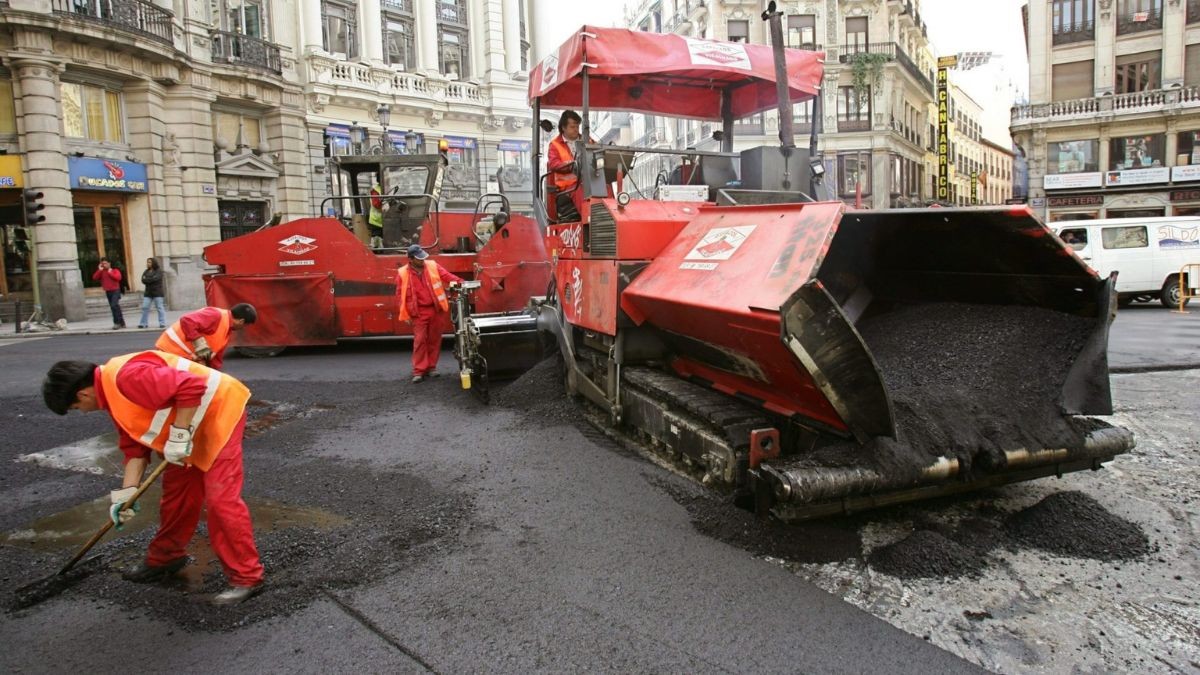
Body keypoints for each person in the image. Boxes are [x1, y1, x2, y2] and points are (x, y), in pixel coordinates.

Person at [41, 352, 264, 605]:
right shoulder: (113, 396)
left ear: (82, 394)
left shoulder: (127, 377)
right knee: (176, 494)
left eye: (76, 408)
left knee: (220, 501)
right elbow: (135, 449)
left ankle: (246, 577)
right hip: (190, 426)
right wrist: (126, 496)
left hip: (219, 412)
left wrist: (179, 435)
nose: (82, 411)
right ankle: (165, 557)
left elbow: (192, 386)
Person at [396, 244, 462, 383]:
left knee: (434, 340)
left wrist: (462, 283)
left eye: (423, 257)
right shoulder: (403, 273)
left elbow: (447, 276)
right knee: (420, 341)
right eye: (419, 259)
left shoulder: (432, 266)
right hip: (418, 312)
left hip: (435, 310)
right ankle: (419, 371)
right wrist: (405, 314)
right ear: (411, 259)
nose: (423, 261)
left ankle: (431, 368)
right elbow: (399, 295)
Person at [155, 303, 257, 370]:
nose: (243, 328)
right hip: (171, 350)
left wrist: (216, 376)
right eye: (246, 325)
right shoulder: (216, 315)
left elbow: (216, 359)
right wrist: (199, 344)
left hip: (183, 356)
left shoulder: (226, 330)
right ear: (241, 321)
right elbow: (187, 321)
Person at [547, 110, 585, 222]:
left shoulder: (587, 141)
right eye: (572, 126)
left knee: (606, 188)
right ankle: (590, 220)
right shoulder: (555, 145)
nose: (576, 130)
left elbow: (598, 151)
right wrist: (569, 166)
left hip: (587, 183)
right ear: (563, 127)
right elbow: (554, 164)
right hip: (567, 187)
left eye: (578, 126)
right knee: (580, 190)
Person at [93, 257, 125, 330]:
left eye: (105, 263)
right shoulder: (102, 271)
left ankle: (117, 323)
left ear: (109, 263)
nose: (104, 265)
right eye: (102, 263)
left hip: (116, 290)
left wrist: (110, 272)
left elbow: (118, 278)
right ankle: (122, 322)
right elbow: (94, 277)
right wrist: (99, 270)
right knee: (115, 307)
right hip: (108, 291)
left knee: (114, 306)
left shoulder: (114, 270)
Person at [138, 258, 167, 329]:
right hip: (148, 293)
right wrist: (150, 279)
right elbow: (143, 280)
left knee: (159, 308)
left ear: (153, 263)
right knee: (145, 307)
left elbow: (156, 279)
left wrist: (148, 279)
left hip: (157, 292)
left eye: (150, 262)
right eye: (147, 262)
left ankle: (162, 323)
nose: (148, 263)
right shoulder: (146, 271)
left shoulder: (158, 271)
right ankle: (143, 323)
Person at [368, 181, 385, 249]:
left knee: (381, 238)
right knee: (376, 238)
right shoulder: (375, 190)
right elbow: (376, 204)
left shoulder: (386, 188)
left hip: (383, 219)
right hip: (376, 220)